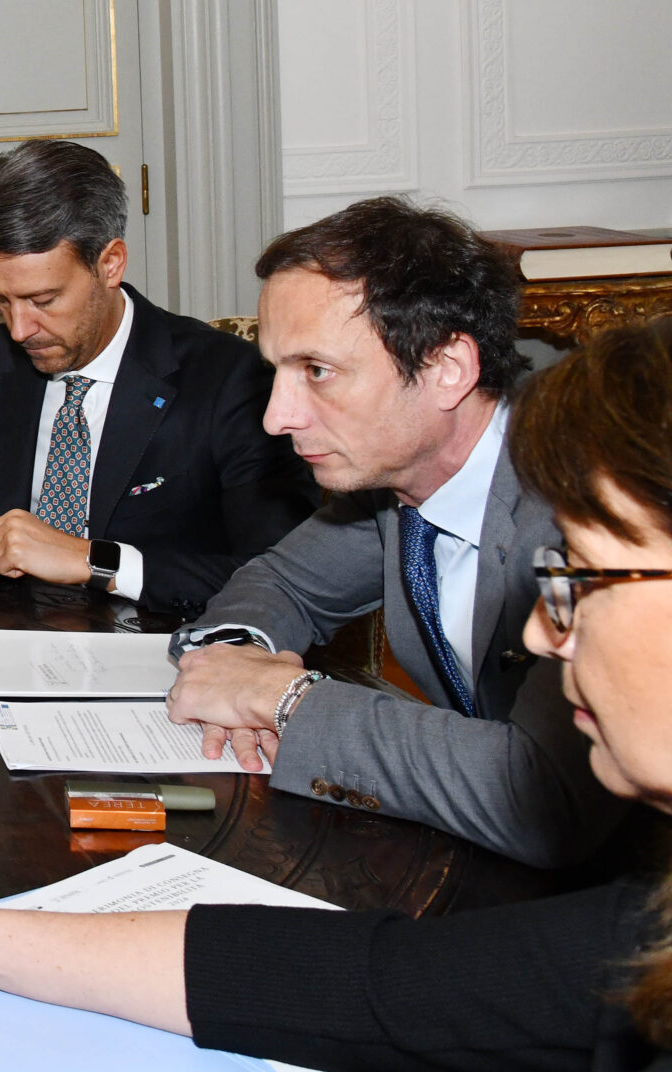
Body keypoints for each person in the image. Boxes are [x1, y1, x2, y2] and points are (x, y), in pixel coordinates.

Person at [0, 316, 672, 1071]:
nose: (538, 632)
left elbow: (383, 981)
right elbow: (363, 981)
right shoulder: (635, 934)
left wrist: (292, 702)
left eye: (579, 581)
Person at [162, 196, 620, 867]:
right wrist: (232, 656)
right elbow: (281, 581)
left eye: (317, 372)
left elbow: (541, 792)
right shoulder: (394, 486)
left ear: (446, 370)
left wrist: (285, 698)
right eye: (277, 373)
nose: (276, 418)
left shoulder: (579, 511)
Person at [0, 140, 313, 616]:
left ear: (110, 264)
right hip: (11, 646)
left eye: (43, 300)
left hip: (162, 648)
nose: (19, 329)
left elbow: (284, 575)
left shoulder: (229, 380)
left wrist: (96, 561)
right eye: (1, 300)